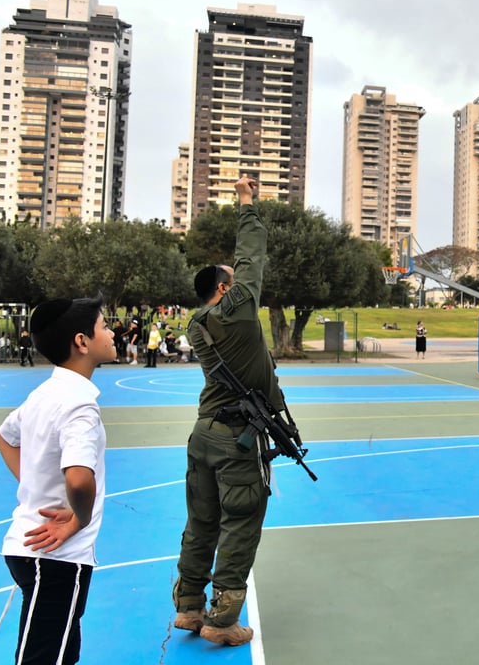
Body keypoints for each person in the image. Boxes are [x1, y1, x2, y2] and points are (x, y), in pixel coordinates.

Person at [173, 175, 286, 646]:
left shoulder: (197, 323)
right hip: (235, 438)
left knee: (201, 522)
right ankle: (221, 621)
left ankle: (188, 607)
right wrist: (246, 203)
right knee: (239, 524)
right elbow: (252, 255)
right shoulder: (235, 311)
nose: (241, 285)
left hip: (203, 433)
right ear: (223, 288)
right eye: (233, 282)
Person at [0, 296, 117, 665]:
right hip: (56, 556)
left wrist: (29, 479)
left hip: (30, 548)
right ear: (82, 342)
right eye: (104, 326)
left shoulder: (44, 393)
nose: (112, 333)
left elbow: (5, 436)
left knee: (63, 649)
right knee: (44, 656)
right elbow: (79, 481)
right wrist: (78, 518)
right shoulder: (79, 406)